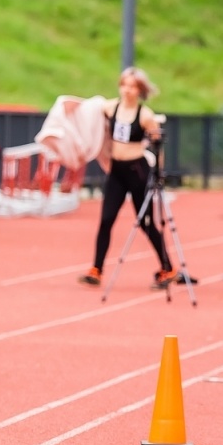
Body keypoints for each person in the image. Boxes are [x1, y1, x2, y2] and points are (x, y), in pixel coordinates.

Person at [79, 68, 176, 290]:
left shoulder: (145, 115)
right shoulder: (110, 108)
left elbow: (157, 145)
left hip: (137, 171)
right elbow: (88, 110)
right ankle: (96, 269)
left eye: (132, 86)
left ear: (139, 90)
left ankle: (167, 267)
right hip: (116, 171)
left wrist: (159, 174)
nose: (127, 90)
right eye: (124, 85)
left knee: (146, 222)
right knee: (106, 220)